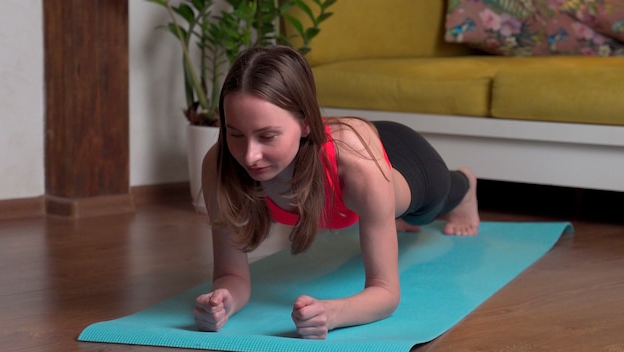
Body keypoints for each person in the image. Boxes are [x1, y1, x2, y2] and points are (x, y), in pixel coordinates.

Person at [194, 45, 480, 339]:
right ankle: (383, 217)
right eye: (236, 134)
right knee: (383, 214)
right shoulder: (221, 165)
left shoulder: (356, 165)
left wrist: (332, 314)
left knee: (425, 212)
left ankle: (466, 183)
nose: (250, 155)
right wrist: (223, 301)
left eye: (267, 136)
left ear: (306, 123)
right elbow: (232, 276)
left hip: (408, 161)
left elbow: (386, 292)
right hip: (358, 165)